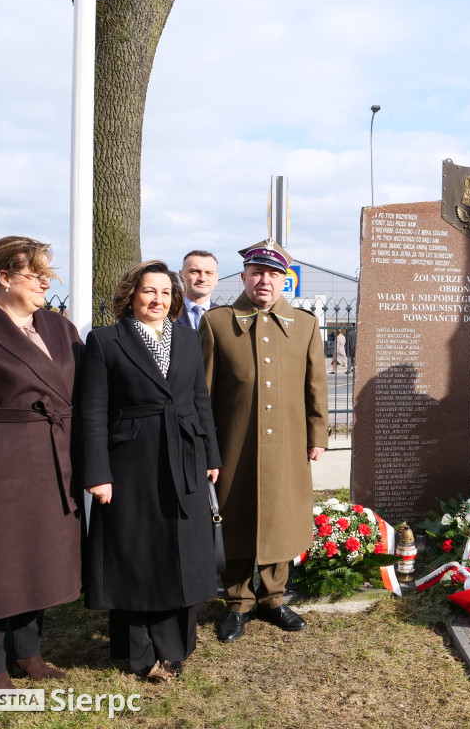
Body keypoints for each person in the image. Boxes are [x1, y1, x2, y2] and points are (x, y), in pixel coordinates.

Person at [79, 260, 221, 681]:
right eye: (149, 291)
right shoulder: (105, 341)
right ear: (131, 295)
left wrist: (211, 454)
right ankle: (141, 652)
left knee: (181, 551)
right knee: (139, 552)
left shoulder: (188, 337)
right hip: (131, 464)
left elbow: (200, 401)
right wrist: (97, 472)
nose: (158, 299)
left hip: (186, 456)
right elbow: (92, 413)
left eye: (165, 292)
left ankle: (175, 646)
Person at [0, 236, 82, 689]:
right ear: (5, 277)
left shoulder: (58, 327)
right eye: (36, 275)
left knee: (39, 558)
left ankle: (27, 652)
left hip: (54, 459)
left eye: (48, 275)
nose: (46, 283)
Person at [200, 238, 329, 643]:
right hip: (233, 444)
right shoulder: (217, 323)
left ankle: (274, 598)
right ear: (244, 277)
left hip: (289, 444)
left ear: (284, 280)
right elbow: (201, 394)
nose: (265, 281)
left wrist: (317, 434)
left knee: (282, 517)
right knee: (236, 517)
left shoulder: (305, 324)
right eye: (257, 273)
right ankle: (237, 602)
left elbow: (316, 386)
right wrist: (205, 446)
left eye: (274, 274)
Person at [176, 250, 219, 329]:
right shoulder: (166, 314)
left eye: (209, 273)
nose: (202, 278)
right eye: (195, 272)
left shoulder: (226, 317)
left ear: (216, 278)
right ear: (181, 275)